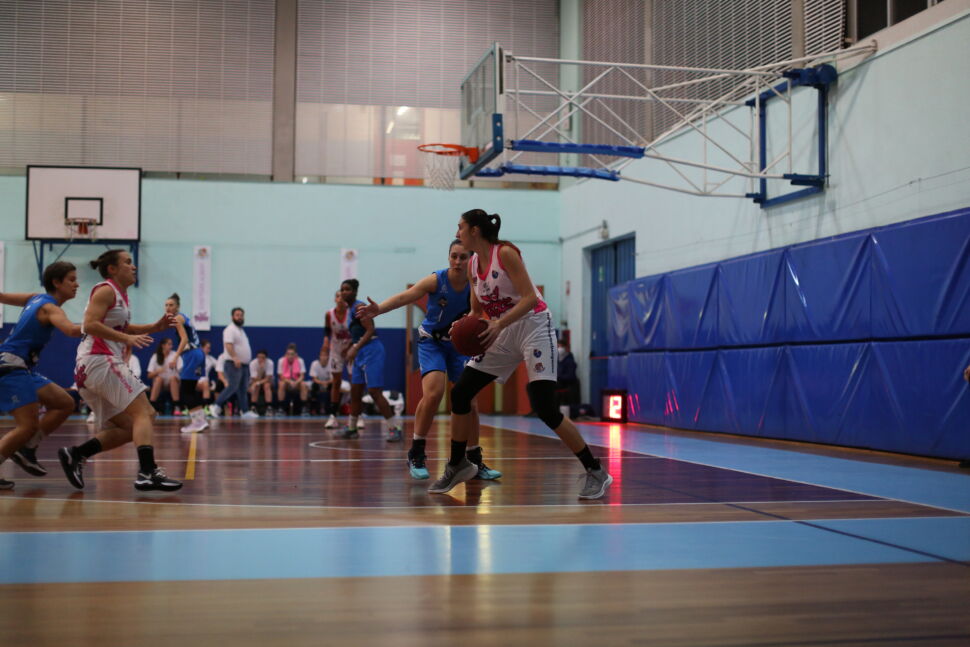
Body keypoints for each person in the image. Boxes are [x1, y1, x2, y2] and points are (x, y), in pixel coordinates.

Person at [428, 209, 612, 499]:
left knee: (545, 407)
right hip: (502, 329)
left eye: (460, 227)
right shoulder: (474, 264)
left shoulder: (506, 254)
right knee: (462, 392)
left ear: (475, 230)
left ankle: (596, 471)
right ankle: (458, 464)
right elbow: (477, 312)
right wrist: (460, 325)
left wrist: (499, 322)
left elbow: (528, 297)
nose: (457, 232)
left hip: (533, 325)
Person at [356, 239, 500, 481]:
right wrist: (378, 309)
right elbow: (407, 296)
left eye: (463, 257)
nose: (457, 261)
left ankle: (474, 459)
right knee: (434, 394)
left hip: (457, 346)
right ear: (448, 257)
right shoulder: (437, 280)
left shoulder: (477, 284)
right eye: (453, 256)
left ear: (471, 259)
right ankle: (416, 452)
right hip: (431, 342)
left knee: (470, 401)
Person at [57, 249, 181, 492]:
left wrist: (154, 327)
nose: (133, 266)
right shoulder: (105, 290)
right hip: (99, 360)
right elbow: (90, 325)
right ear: (112, 269)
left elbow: (121, 326)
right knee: (145, 412)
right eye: (127, 262)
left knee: (128, 427)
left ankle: (76, 454)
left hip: (89, 368)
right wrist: (125, 338)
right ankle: (147, 472)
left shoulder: (121, 295)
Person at [0, 262, 82, 489]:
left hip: (21, 367)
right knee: (26, 425)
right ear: (57, 282)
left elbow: (2, 296)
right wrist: (101, 325)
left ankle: (28, 448)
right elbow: (72, 330)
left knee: (65, 402)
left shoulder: (34, 298)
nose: (77, 284)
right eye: (72, 279)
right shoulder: (50, 308)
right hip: (10, 366)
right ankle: (24, 446)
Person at [332, 279, 402, 441]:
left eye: (347, 289)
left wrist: (354, 348)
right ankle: (352, 428)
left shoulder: (359, 307)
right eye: (342, 290)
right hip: (360, 351)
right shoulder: (350, 310)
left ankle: (394, 428)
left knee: (374, 391)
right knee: (355, 392)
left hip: (372, 350)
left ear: (355, 291)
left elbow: (370, 330)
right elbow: (358, 332)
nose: (344, 292)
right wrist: (349, 345)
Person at [165, 293, 209, 433]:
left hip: (191, 355)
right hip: (199, 353)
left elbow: (184, 340)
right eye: (166, 305)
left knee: (185, 391)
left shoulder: (178, 318)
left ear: (177, 306)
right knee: (190, 389)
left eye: (171, 305)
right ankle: (200, 421)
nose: (168, 307)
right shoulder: (184, 317)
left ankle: (198, 422)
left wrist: (175, 357)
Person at [211, 307, 258, 419]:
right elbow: (228, 345)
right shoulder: (230, 329)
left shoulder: (241, 330)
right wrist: (235, 358)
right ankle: (215, 406)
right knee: (232, 386)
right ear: (232, 317)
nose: (240, 317)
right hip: (233, 363)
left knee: (242, 389)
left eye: (241, 315)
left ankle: (245, 411)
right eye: (237, 315)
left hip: (244, 365)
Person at [322, 290, 352, 429]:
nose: (340, 299)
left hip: (351, 350)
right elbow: (327, 330)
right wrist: (326, 341)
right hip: (336, 351)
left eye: (343, 296)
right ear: (335, 299)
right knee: (336, 382)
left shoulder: (351, 313)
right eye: (338, 296)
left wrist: (351, 346)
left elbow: (357, 332)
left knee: (355, 382)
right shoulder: (329, 314)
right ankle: (333, 416)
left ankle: (356, 415)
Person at [146, 337, 180, 414]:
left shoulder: (175, 355)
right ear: (163, 345)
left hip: (173, 382)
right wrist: (158, 371)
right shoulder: (155, 356)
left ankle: (176, 406)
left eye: (171, 344)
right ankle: (152, 406)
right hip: (160, 383)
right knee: (159, 379)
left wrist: (175, 366)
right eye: (169, 344)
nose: (171, 346)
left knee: (173, 378)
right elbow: (149, 375)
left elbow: (182, 371)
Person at [277, 343, 309, 415]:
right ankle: (281, 408)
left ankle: (304, 408)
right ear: (286, 354)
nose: (290, 356)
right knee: (281, 384)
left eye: (292, 354)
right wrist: (289, 382)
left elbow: (302, 376)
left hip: (296, 382)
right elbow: (280, 376)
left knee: (303, 384)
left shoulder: (300, 360)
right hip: (286, 382)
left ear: (295, 354)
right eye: (288, 354)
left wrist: (296, 382)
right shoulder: (281, 361)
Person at [248, 349, 275, 416]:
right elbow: (254, 379)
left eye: (263, 357)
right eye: (259, 357)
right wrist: (260, 370)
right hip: (256, 381)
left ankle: (269, 408)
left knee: (266, 386)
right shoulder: (253, 363)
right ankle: (253, 407)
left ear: (266, 358)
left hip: (267, 381)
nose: (260, 359)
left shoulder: (270, 363)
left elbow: (268, 378)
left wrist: (258, 383)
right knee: (256, 386)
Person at [308, 349, 331, 415]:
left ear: (328, 357)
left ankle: (329, 408)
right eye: (322, 355)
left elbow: (333, 379)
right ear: (319, 356)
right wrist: (323, 383)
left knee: (333, 386)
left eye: (325, 355)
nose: (323, 357)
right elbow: (314, 379)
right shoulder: (314, 364)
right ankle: (314, 408)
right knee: (314, 386)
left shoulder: (331, 364)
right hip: (318, 384)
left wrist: (326, 383)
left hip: (328, 384)